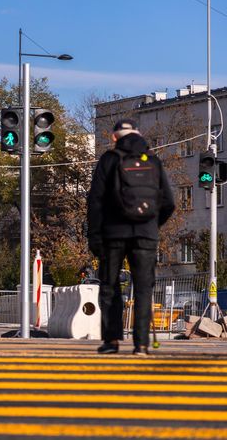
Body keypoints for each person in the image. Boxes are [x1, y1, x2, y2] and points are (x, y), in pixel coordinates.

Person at [87, 119, 175, 356]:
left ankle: (112, 341)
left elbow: (95, 201)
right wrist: (152, 224)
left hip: (113, 234)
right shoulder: (153, 161)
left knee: (110, 286)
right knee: (144, 288)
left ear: (115, 137)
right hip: (146, 235)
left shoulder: (109, 160)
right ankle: (142, 345)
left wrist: (94, 235)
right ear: (139, 134)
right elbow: (169, 202)